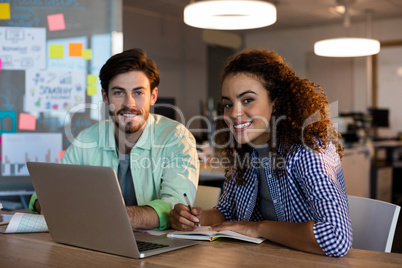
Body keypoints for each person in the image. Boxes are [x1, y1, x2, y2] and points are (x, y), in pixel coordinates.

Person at [170, 48, 352, 257]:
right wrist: (195, 218)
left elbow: (337, 238)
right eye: (228, 104)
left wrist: (258, 228)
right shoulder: (245, 152)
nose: (234, 113)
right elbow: (228, 212)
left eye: (247, 100)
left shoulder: (308, 150)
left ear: (275, 103)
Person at [29, 48, 199, 230]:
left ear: (153, 96)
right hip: (97, 240)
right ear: (105, 97)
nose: (129, 104)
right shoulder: (88, 138)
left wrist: (110, 214)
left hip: (157, 246)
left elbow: (174, 207)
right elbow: (46, 191)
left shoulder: (176, 138)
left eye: (138, 93)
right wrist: (45, 202)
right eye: (119, 93)